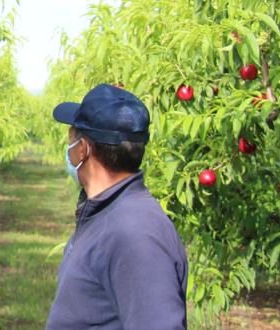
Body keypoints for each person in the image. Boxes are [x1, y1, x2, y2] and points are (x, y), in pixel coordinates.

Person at [45, 83, 189, 330]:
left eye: (71, 138)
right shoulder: (107, 214)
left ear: (83, 150)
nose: (68, 148)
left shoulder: (135, 233)